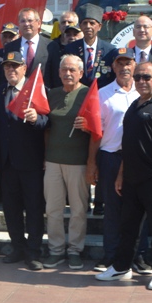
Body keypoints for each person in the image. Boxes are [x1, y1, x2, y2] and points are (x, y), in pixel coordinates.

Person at [95, 61, 152, 290]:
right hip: (132, 179)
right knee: (128, 227)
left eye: (146, 77)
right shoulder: (135, 106)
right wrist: (121, 175)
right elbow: (128, 144)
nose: (141, 81)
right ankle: (121, 267)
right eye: (138, 77)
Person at [87, 48, 148, 272]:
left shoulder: (144, 92)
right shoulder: (102, 94)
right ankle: (110, 255)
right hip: (111, 157)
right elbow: (96, 132)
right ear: (113, 67)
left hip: (137, 159)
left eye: (128, 63)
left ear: (135, 65)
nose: (124, 68)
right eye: (120, 63)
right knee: (112, 211)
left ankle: (139, 256)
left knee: (139, 209)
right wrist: (92, 163)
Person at [0, 51, 47, 270]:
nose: (11, 71)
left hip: (31, 162)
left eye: (15, 67)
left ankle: (33, 252)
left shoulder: (36, 90)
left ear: (25, 68)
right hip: (7, 163)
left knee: (34, 209)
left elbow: (47, 121)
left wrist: (37, 120)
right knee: (11, 209)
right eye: (7, 67)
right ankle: (18, 247)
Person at [39, 55, 93, 270]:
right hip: (53, 161)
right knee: (53, 208)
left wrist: (88, 126)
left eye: (72, 70)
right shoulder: (51, 94)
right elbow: (47, 127)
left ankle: (74, 250)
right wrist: (44, 155)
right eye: (64, 70)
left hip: (78, 162)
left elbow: (98, 128)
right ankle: (56, 250)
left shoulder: (88, 94)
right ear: (59, 72)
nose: (68, 74)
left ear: (81, 72)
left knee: (78, 209)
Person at [59, 4, 116, 87]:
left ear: (99, 26)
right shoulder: (71, 49)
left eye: (92, 23)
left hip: (102, 95)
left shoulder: (109, 50)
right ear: (80, 26)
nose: (88, 26)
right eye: (85, 23)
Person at [3, 8, 53, 84]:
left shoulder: (51, 46)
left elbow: (54, 75)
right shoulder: (10, 47)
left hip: (42, 92)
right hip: (17, 93)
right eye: (23, 21)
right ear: (19, 24)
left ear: (39, 23)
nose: (26, 24)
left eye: (30, 20)